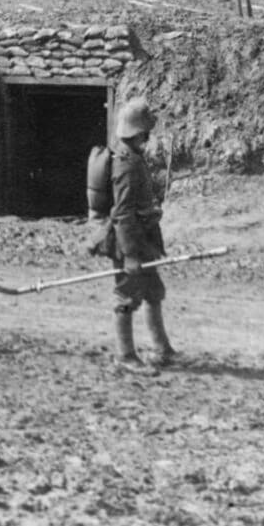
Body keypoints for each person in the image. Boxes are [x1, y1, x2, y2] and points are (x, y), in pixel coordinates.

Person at [104, 98, 175, 376]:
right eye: (146, 132)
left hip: (142, 237)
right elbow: (122, 213)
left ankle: (162, 349)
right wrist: (131, 254)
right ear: (137, 132)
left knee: (153, 291)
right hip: (128, 242)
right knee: (126, 297)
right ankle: (125, 355)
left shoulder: (134, 157)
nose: (148, 136)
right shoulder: (125, 164)